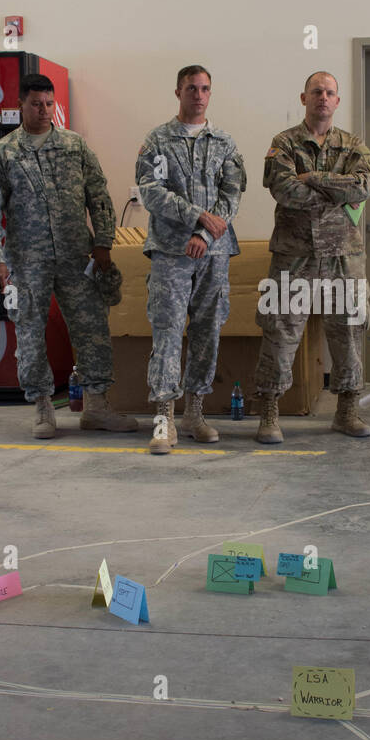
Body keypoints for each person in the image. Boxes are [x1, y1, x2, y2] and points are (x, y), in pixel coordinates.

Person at [0, 74, 138, 437]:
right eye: (36, 104)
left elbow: (98, 195)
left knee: (92, 328)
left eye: (49, 104)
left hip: (76, 255)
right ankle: (42, 408)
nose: (44, 110)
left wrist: (104, 243)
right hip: (26, 260)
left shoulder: (74, 146)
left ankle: (96, 406)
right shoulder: (3, 154)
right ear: (21, 105)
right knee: (30, 331)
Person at [253, 72, 370, 443]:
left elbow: (364, 186)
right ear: (304, 98)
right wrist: (335, 194)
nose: (323, 97)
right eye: (316, 92)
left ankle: (347, 411)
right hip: (295, 257)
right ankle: (270, 412)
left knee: (349, 332)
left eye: (329, 92)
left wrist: (313, 178)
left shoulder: (355, 145)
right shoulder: (285, 143)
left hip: (344, 256)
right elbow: (284, 189)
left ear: (337, 101)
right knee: (280, 330)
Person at [135, 65, 246, 455]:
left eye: (204, 89)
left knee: (207, 331)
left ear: (210, 93)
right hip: (171, 252)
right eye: (191, 89)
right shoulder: (158, 141)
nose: (198, 95)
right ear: (178, 92)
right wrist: (194, 217)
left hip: (213, 252)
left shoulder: (224, 142)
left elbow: (232, 194)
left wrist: (205, 232)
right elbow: (150, 192)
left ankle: (195, 414)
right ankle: (164, 419)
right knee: (166, 332)